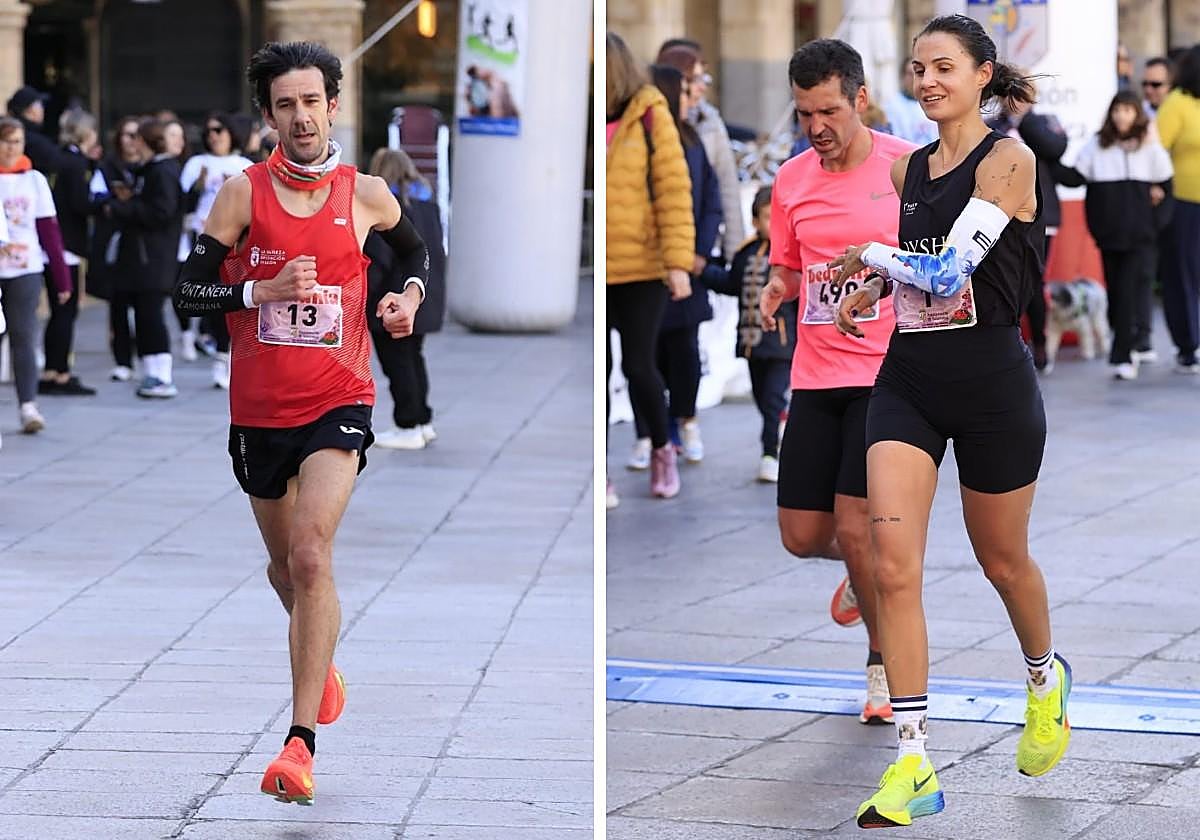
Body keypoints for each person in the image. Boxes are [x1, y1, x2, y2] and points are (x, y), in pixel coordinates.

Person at [827, 15, 1070, 828]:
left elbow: (950, 268)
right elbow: (921, 289)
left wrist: (868, 257)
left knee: (1004, 564)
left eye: (944, 67)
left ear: (981, 74)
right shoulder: (909, 172)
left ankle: (1044, 682)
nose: (928, 80)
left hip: (995, 386)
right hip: (910, 382)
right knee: (893, 567)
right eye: (918, 67)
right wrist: (875, 294)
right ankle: (914, 762)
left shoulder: (1010, 158)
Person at [172, 40, 430, 805]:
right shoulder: (241, 195)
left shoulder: (367, 193)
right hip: (257, 411)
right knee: (285, 570)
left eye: (312, 101)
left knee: (313, 557)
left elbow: (415, 253)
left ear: (333, 106)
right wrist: (262, 291)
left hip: (338, 399)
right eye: (285, 104)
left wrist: (406, 298)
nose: (301, 116)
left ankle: (298, 746)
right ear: (268, 116)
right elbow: (187, 292)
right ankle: (322, 662)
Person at [758, 38, 912, 732]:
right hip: (816, 373)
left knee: (855, 522)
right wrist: (776, 287)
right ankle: (865, 568)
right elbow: (787, 265)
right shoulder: (791, 181)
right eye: (803, 114)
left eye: (828, 110)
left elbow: (935, 265)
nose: (817, 126)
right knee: (801, 534)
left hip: (889, 374)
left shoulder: (905, 168)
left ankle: (881, 667)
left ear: (860, 100)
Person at [605, 31, 693, 506]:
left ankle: (663, 448)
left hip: (642, 265)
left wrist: (678, 263)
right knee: (600, 372)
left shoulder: (649, 113)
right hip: (601, 265)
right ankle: (602, 470)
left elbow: (674, 191)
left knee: (640, 366)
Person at [627, 63, 719, 468]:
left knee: (684, 354)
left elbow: (709, 201)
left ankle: (686, 421)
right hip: (644, 266)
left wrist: (696, 253)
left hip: (685, 266)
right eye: (684, 91)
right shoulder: (640, 141)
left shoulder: (693, 140)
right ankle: (649, 433)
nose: (690, 98)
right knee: (644, 357)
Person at [1055, 91, 1173, 380]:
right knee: (1117, 292)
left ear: (1137, 115)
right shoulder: (1097, 144)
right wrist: (1043, 153)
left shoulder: (1150, 147)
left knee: (1128, 290)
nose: (1122, 116)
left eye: (1129, 110)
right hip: (1108, 235)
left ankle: (1124, 354)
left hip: (1140, 236)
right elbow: (1075, 177)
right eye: (1117, 110)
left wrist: (1155, 224)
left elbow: (1168, 187)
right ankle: (1127, 345)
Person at [700, 185, 794, 482]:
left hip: (781, 343)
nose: (772, 224)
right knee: (761, 397)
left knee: (772, 399)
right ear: (755, 221)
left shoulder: (792, 255)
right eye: (767, 217)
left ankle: (770, 454)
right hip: (752, 344)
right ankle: (778, 428)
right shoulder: (746, 253)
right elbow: (731, 284)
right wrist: (702, 271)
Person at [364, 147, 446, 449]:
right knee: (414, 359)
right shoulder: (428, 203)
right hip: (424, 296)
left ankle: (407, 425)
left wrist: (365, 300)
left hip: (394, 299)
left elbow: (380, 258)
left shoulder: (391, 207)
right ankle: (423, 421)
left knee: (397, 363)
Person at [101, 117, 184, 398]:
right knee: (144, 316)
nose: (131, 142)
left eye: (136, 136)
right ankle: (152, 372)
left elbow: (162, 212)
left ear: (145, 140)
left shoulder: (162, 171)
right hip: (141, 258)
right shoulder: (148, 170)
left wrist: (126, 207)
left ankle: (162, 375)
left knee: (151, 316)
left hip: (154, 258)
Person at [0, 116, 73, 433]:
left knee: (23, 336)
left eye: (17, 141)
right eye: (5, 141)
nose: (11, 148)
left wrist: (62, 277)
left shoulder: (35, 180)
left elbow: (49, 231)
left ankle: (27, 405)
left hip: (25, 269)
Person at [987, 89, 1068, 371]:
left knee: (1035, 282)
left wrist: (1024, 122)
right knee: (1006, 281)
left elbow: (1055, 147)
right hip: (1002, 216)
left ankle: (1041, 342)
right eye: (1010, 95)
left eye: (1021, 96)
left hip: (1042, 216)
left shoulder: (1042, 122)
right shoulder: (992, 126)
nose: (1015, 102)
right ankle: (1009, 344)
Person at [180, 111, 253, 387]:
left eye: (219, 130)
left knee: (227, 299)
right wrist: (198, 187)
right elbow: (181, 201)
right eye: (209, 131)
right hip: (200, 237)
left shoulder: (243, 165)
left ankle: (223, 357)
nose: (213, 136)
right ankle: (194, 336)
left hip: (234, 244)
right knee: (200, 292)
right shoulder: (196, 163)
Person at [658, 38, 745, 258]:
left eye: (702, 78)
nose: (701, 86)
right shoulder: (654, 125)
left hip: (700, 249)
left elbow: (726, 187)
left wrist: (735, 252)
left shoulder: (709, 122)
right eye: (694, 78)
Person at [38, 108, 99, 396]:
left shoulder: (55, 158)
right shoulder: (75, 162)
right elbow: (80, 204)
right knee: (66, 310)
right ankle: (59, 372)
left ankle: (52, 369)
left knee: (57, 310)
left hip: (51, 245)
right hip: (67, 245)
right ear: (85, 132)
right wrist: (103, 201)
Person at [88, 115, 146, 382]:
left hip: (144, 246)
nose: (131, 141)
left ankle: (149, 356)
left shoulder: (151, 167)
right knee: (118, 302)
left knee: (146, 305)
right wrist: (115, 200)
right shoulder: (108, 166)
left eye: (136, 135)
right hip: (115, 242)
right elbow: (95, 198)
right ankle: (123, 359)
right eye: (126, 134)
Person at [1154, 44, 1200, 373]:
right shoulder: (1177, 103)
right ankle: (1189, 345)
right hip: (1184, 203)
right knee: (1182, 275)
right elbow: (1157, 151)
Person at [5, 86, 60, 176]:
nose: (42, 109)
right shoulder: (32, 139)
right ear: (29, 110)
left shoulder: (30, 134)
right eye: (40, 105)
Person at [885, 63, 938, 146]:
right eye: (910, 74)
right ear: (903, 77)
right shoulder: (892, 106)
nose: (914, 78)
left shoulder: (935, 101)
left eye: (919, 73)